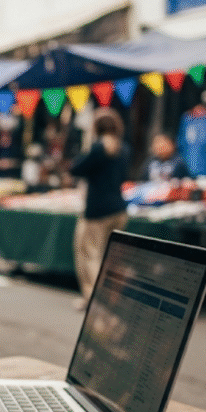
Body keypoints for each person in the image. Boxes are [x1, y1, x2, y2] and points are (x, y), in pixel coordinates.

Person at [69, 107, 130, 309]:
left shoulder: (98, 149)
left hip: (97, 211)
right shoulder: (124, 149)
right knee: (111, 258)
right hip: (119, 209)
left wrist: (88, 143)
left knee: (90, 256)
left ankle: (94, 300)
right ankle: (111, 298)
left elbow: (76, 169)